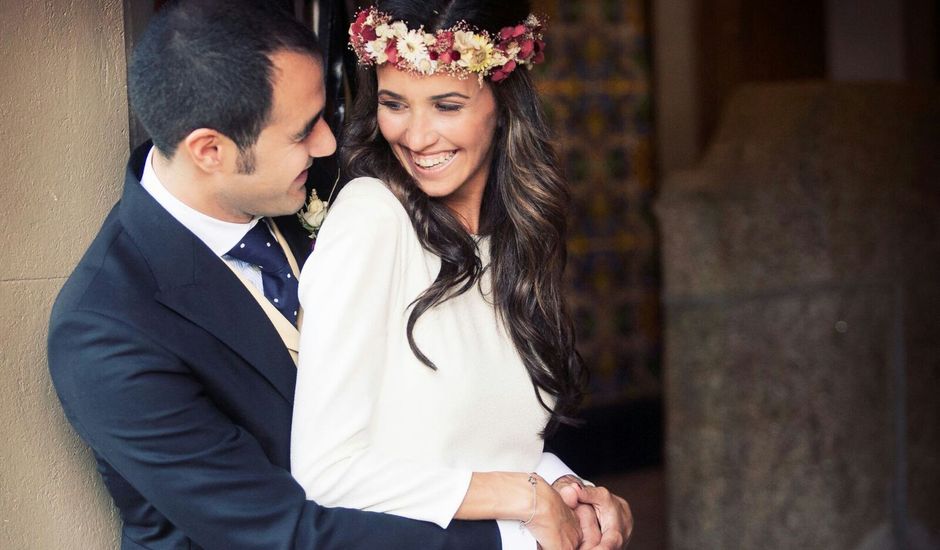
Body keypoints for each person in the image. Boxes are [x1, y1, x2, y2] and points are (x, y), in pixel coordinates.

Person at [47, 1, 507, 548]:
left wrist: (549, 483)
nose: (329, 145)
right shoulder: (108, 330)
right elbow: (282, 533)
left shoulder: (332, 187)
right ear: (210, 150)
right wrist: (512, 538)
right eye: (302, 132)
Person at [291, 2, 633, 549]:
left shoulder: (516, 231)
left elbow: (485, 444)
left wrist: (572, 491)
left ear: (503, 101)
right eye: (393, 104)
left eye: (447, 105)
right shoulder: (372, 219)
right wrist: (526, 497)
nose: (418, 136)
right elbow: (325, 474)